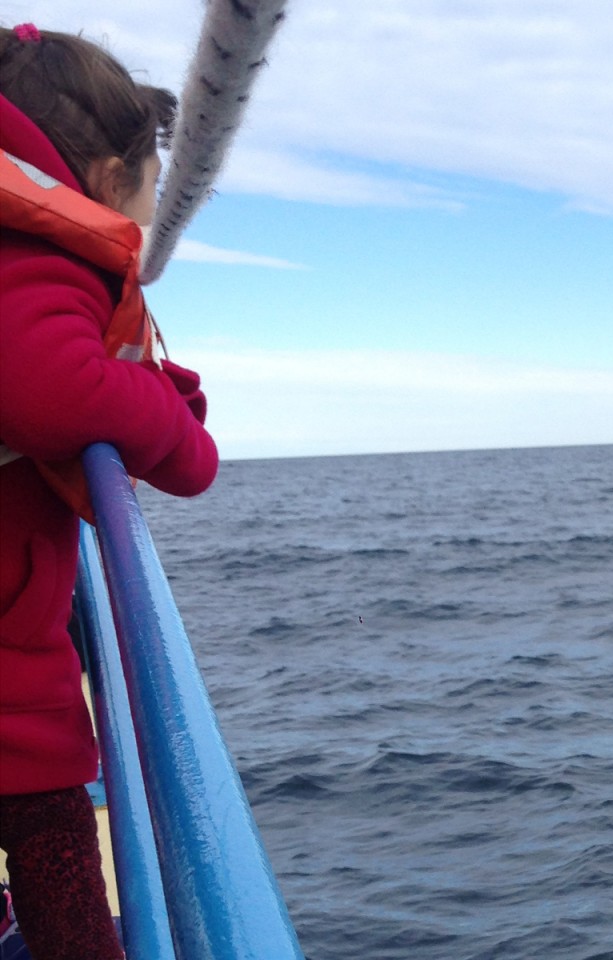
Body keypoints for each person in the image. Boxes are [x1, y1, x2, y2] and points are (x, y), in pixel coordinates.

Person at [0, 23, 219, 960]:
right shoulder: (33, 256)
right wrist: (173, 428)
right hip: (11, 685)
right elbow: (49, 385)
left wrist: (153, 385)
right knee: (57, 837)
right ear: (103, 171)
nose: (149, 212)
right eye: (149, 185)